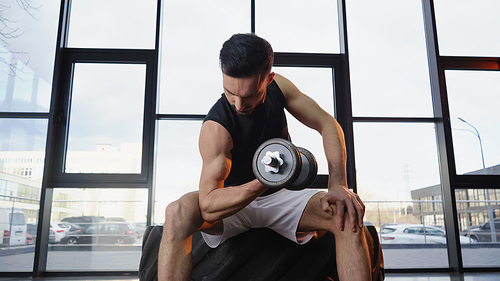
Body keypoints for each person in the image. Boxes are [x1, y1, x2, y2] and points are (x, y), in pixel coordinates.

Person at [158, 33, 371, 281]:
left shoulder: (280, 87)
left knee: (346, 213)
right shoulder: (216, 128)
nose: (238, 105)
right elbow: (208, 204)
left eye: (248, 96)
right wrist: (263, 180)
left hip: (282, 199)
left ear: (268, 79)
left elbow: (327, 123)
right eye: (230, 93)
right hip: (232, 206)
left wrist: (338, 184)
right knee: (176, 212)